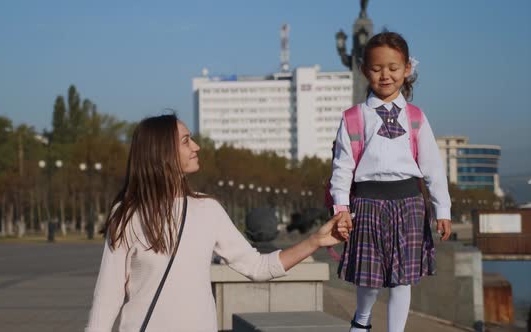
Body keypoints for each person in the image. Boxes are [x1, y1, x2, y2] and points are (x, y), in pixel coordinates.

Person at [85, 114, 342, 332]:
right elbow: (107, 297)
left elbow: (259, 267)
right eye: (186, 141)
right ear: (162, 153)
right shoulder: (128, 215)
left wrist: (315, 241)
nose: (196, 146)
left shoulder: (207, 210)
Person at [328, 32, 452, 332]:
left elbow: (433, 168)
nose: (385, 75)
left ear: (407, 69)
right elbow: (342, 167)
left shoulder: (416, 117)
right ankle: (362, 318)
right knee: (368, 277)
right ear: (364, 70)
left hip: (409, 204)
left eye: (393, 68)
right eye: (377, 68)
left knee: (402, 280)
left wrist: (443, 210)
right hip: (367, 204)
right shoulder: (353, 117)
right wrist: (340, 208)